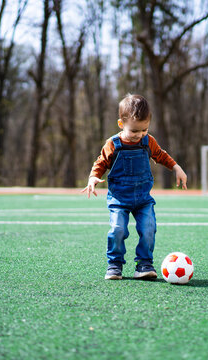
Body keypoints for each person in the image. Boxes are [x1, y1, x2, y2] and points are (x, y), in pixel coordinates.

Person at [82, 94, 188, 281]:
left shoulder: (148, 142)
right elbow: (100, 162)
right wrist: (93, 178)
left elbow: (161, 156)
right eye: (134, 131)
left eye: (144, 130)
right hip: (119, 198)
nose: (139, 135)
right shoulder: (113, 144)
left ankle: (144, 264)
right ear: (121, 124)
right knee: (117, 229)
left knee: (149, 228)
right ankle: (114, 265)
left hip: (142, 199)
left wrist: (176, 167)